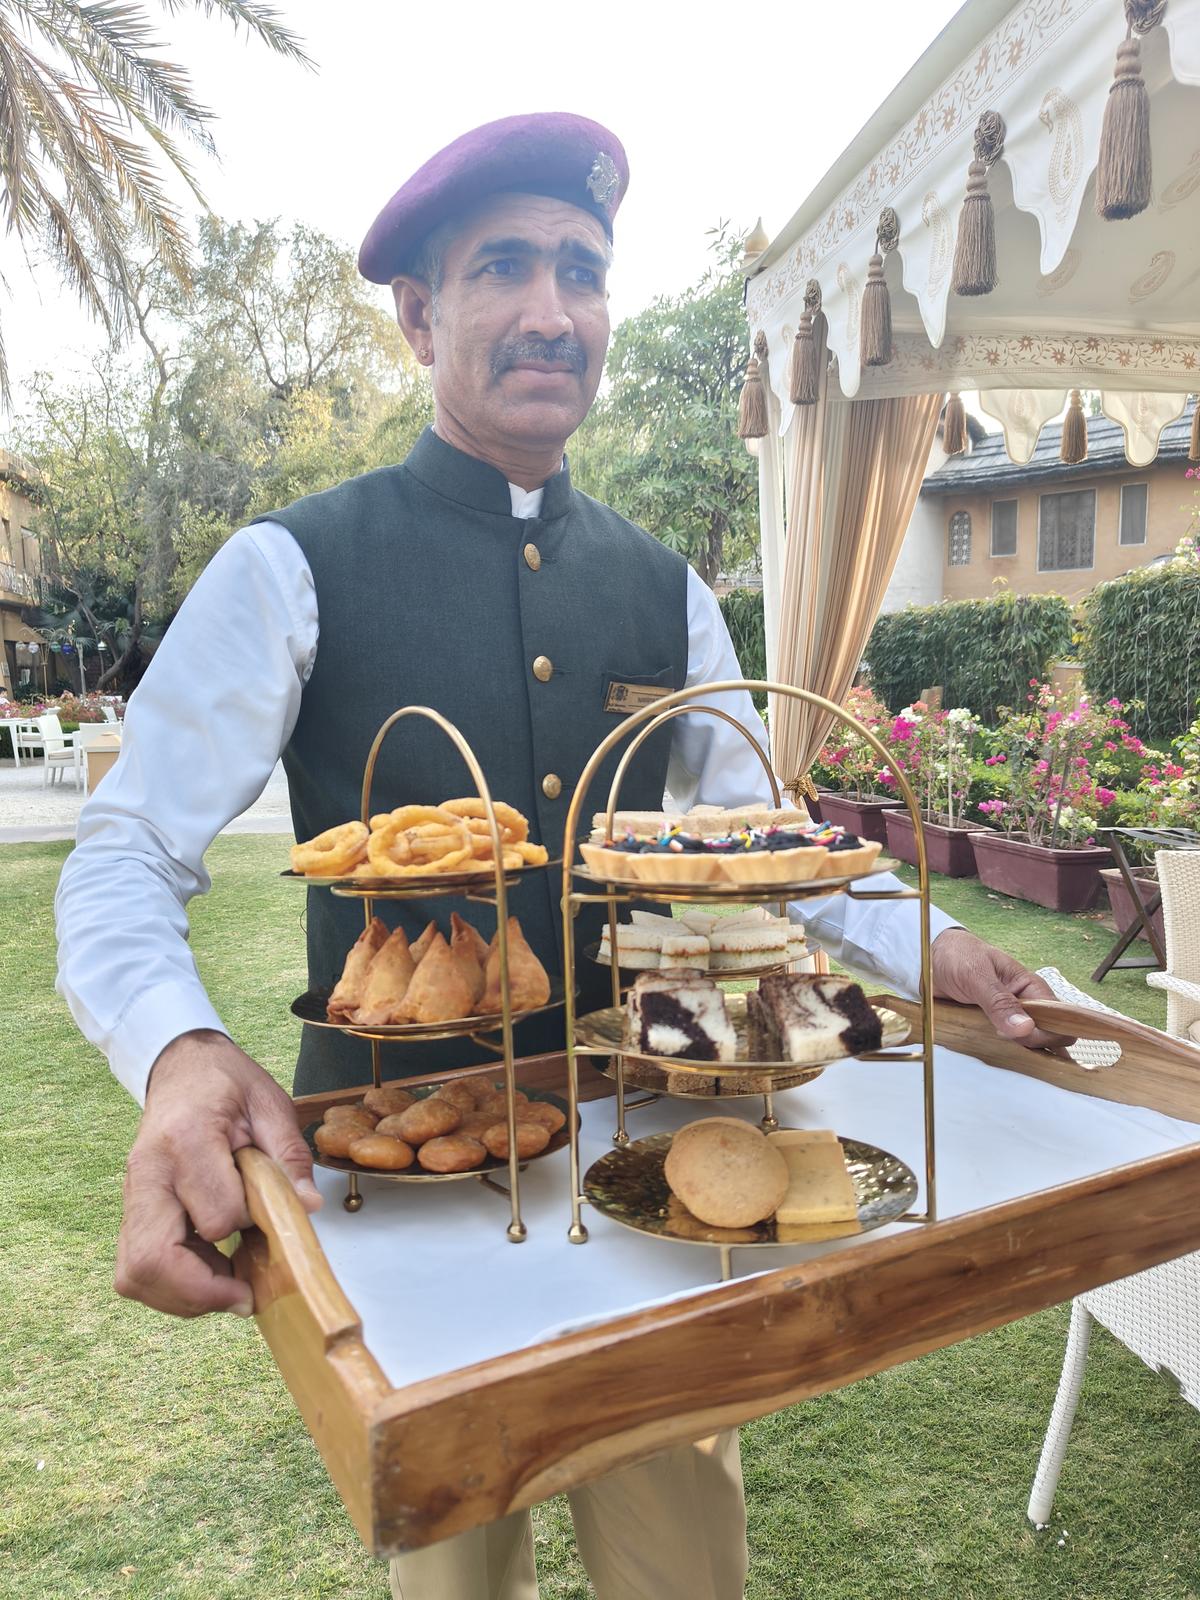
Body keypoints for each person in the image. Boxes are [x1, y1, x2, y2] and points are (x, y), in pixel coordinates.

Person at [56, 113, 1061, 1600]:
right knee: (455, 1568)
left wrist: (931, 946)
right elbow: (125, 846)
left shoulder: (666, 592)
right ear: (420, 315)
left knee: (683, 1565)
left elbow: (764, 841)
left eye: (581, 273)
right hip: (400, 1190)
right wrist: (179, 1048)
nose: (551, 310)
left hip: (651, 1162)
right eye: (505, 268)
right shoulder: (293, 562)